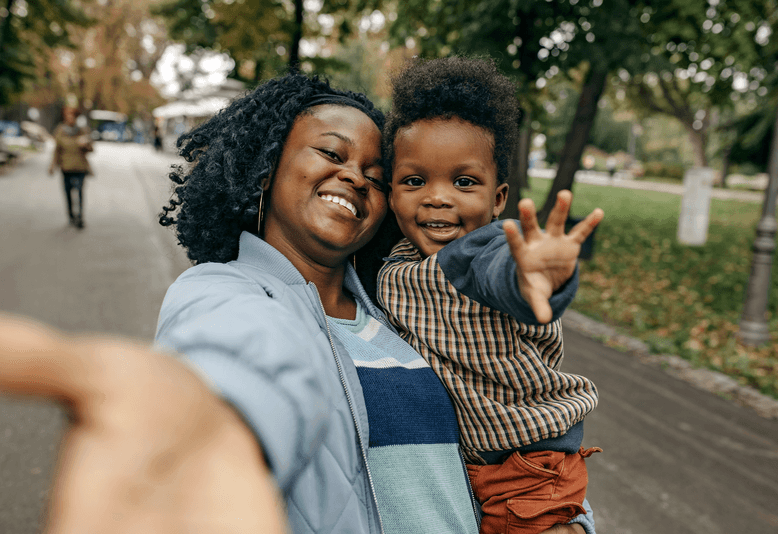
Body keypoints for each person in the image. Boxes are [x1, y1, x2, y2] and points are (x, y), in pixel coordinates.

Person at [0, 70, 593, 534]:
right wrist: (214, 411)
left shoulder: (398, 302)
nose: (355, 178)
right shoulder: (225, 292)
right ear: (266, 170)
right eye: (331, 155)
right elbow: (240, 353)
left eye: (377, 172)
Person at [376, 56, 604, 534]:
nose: (438, 197)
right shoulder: (394, 261)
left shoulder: (482, 250)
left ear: (497, 199)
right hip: (472, 463)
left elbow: (501, 273)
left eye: (464, 182)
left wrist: (537, 278)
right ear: (391, 192)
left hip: (528, 464)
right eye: (415, 181)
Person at [49, 106, 93, 229]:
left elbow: (91, 149)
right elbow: (57, 150)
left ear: (76, 117)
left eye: (72, 115)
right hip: (66, 167)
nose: (69, 118)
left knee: (79, 192)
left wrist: (86, 144)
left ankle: (80, 216)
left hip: (80, 167)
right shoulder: (60, 130)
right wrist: (52, 166)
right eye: (67, 115)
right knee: (67, 192)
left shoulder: (82, 130)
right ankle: (71, 215)